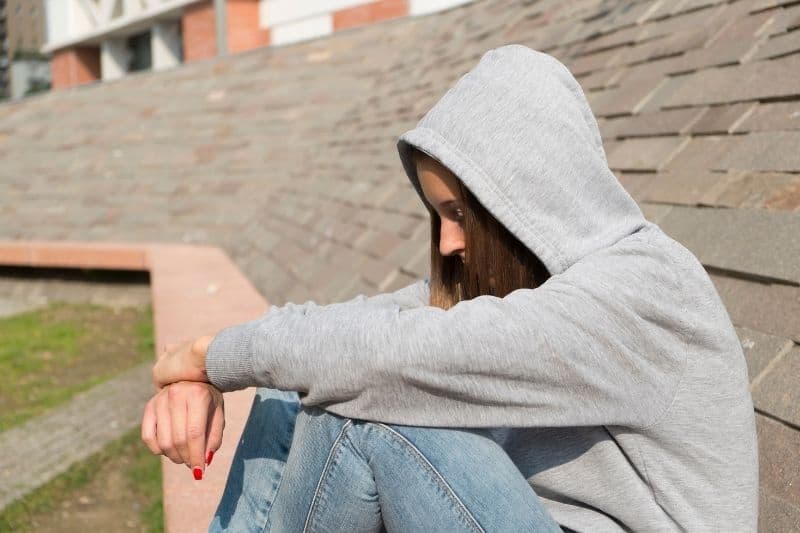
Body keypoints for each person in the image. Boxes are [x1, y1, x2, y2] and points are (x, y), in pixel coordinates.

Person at [141, 44, 759, 532]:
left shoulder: (641, 292)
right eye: (438, 217)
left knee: (374, 411)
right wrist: (209, 367)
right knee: (296, 381)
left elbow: (386, 361)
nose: (446, 245)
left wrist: (202, 359)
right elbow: (335, 330)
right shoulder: (534, 286)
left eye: (459, 214)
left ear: (524, 193)